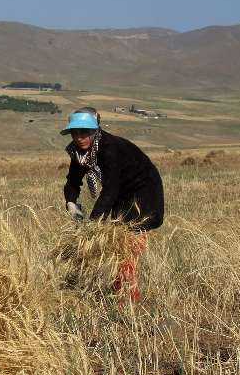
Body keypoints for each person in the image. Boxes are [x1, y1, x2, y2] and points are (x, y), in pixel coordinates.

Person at [61, 107, 164, 304]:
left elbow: (109, 190)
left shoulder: (110, 148)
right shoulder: (78, 153)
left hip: (144, 192)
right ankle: (119, 294)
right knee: (117, 249)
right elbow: (73, 181)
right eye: (75, 133)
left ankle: (127, 302)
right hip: (122, 195)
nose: (80, 137)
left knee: (127, 251)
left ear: (95, 131)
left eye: (85, 132)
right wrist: (71, 202)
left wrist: (92, 226)